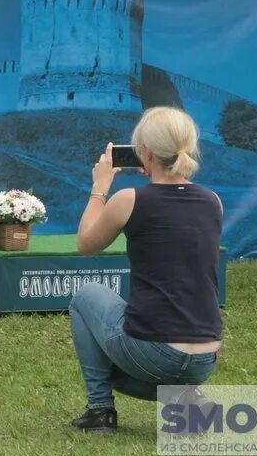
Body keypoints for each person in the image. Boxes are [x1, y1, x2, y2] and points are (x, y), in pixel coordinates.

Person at [67, 106, 223, 435]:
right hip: (206, 356)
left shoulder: (129, 199)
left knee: (85, 297)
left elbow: (86, 244)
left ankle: (99, 410)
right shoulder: (213, 201)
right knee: (125, 354)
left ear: (146, 153)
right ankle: (185, 400)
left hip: (153, 353)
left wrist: (100, 186)